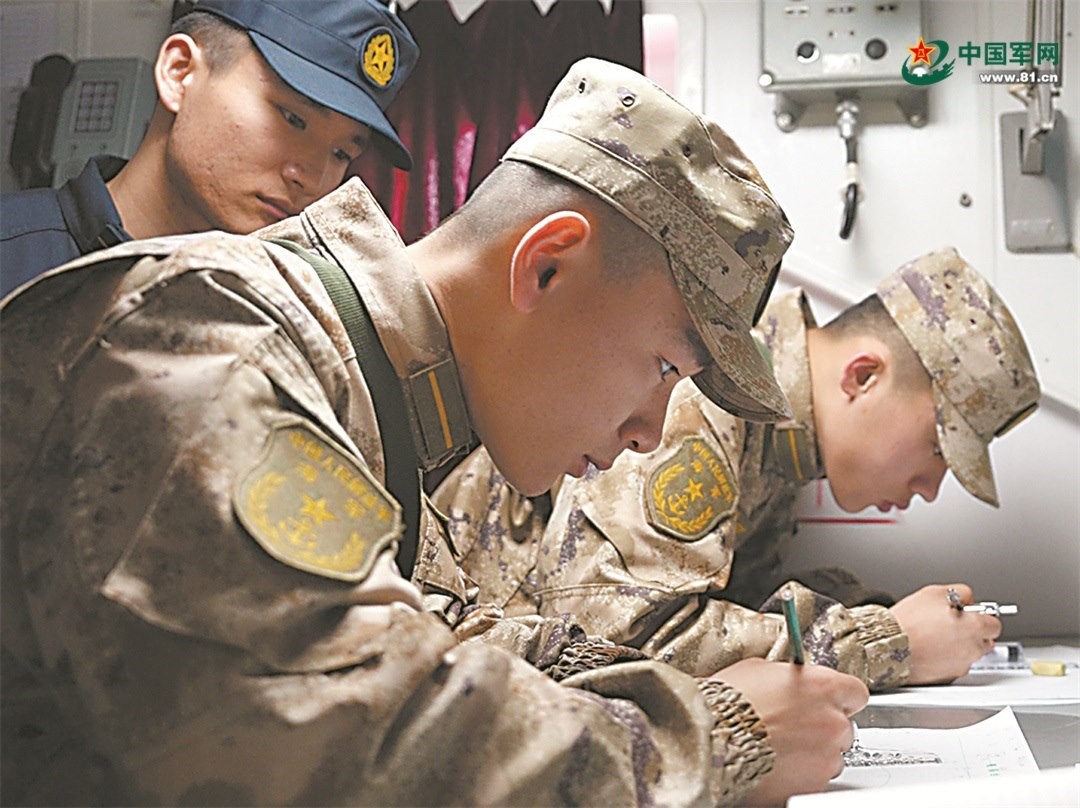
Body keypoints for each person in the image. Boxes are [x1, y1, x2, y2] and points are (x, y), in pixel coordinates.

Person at [0, 58, 868, 806]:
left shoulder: (382, 399)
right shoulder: (218, 344)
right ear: (547, 265)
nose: (649, 432)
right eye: (665, 367)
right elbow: (350, 749)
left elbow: (448, 642)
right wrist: (712, 739)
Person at [434, 247, 1041, 690]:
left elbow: (711, 600)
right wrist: (886, 644)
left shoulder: (782, 435)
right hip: (467, 677)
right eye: (937, 447)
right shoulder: (711, 389)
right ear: (863, 376)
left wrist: (870, 609)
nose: (930, 488)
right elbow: (616, 636)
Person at [0, 0, 419, 297]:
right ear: (179, 72)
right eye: (293, 119)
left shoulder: (286, 317)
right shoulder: (13, 255)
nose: (311, 178)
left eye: (342, 154)